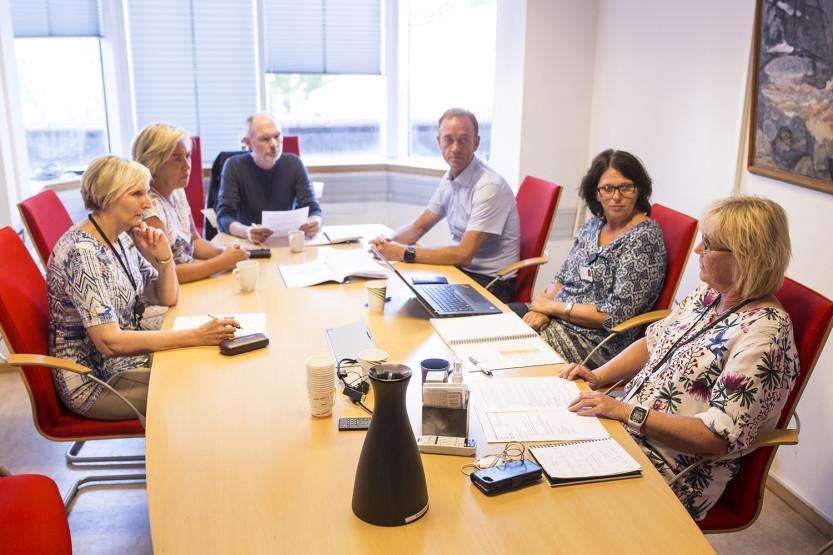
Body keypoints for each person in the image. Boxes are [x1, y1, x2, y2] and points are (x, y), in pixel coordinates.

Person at [559, 196, 798, 521]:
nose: (698, 251)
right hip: (626, 434)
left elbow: (715, 437)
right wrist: (598, 376)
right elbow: (654, 342)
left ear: (746, 257)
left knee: (556, 504)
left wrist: (626, 411)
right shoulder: (709, 296)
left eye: (709, 245)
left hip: (671, 470)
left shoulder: (765, 335)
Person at [47, 155, 241, 420]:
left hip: (126, 362)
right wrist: (196, 336)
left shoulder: (120, 239)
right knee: (203, 385)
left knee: (208, 362)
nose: (148, 203)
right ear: (107, 196)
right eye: (137, 193)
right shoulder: (82, 254)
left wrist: (164, 257)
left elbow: (167, 297)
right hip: (96, 382)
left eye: (147, 192)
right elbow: (110, 342)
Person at [513, 149, 666, 367]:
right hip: (558, 317)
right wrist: (542, 310)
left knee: (511, 353)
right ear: (596, 193)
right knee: (493, 323)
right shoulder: (594, 225)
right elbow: (563, 276)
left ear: (638, 190)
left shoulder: (644, 238)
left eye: (625, 187)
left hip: (595, 341)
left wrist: (553, 309)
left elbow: (616, 314)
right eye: (607, 189)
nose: (616, 196)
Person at [369, 108, 520, 303]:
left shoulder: (489, 186)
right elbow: (417, 228)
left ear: (476, 143)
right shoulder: (450, 179)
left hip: (490, 283)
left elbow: (464, 254)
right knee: (402, 294)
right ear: (439, 142)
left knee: (414, 308)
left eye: (464, 139)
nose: (455, 148)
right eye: (449, 139)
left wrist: (403, 252)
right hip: (461, 273)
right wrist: (385, 243)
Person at [132, 122, 250, 282]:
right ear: (154, 163)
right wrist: (222, 262)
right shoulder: (149, 208)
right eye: (177, 159)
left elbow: (195, 242)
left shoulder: (177, 191)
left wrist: (225, 251)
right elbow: (166, 276)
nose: (187, 166)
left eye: (187, 156)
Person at [216, 112, 322, 242]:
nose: (274, 144)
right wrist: (246, 231)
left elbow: (312, 208)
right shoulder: (234, 166)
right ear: (248, 142)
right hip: (250, 245)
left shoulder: (294, 163)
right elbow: (224, 217)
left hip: (287, 241)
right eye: (265, 139)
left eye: (277, 136)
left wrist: (314, 222)